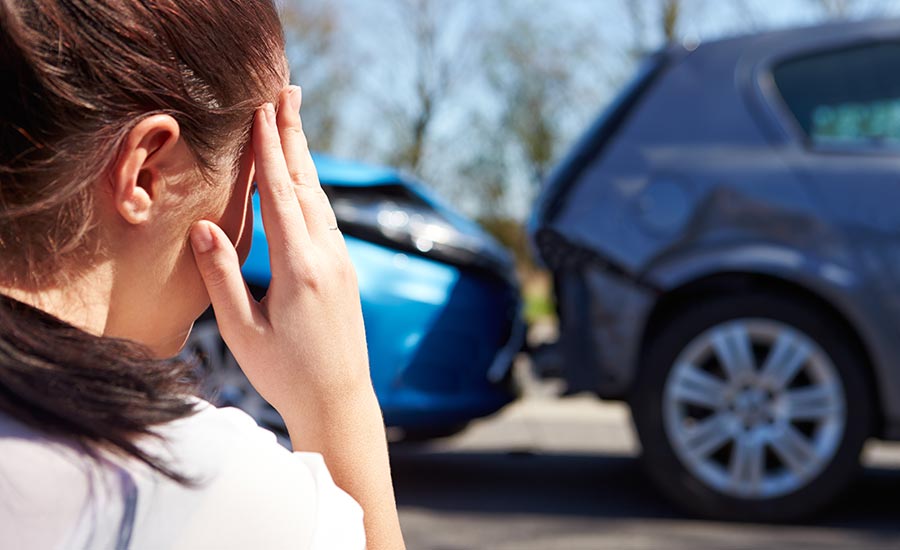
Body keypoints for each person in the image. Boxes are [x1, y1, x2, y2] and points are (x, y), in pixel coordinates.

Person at [0, 1, 406, 548]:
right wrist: (339, 400)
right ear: (146, 173)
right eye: (256, 185)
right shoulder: (198, 484)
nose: (248, 240)